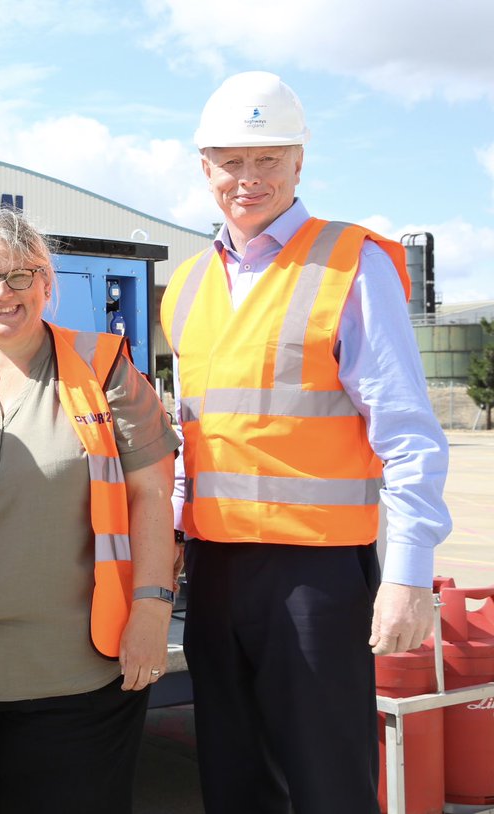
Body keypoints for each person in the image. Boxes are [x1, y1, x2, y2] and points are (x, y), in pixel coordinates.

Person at [161, 71, 453, 814]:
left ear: (299, 162)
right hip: (215, 571)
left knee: (327, 786)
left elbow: (409, 434)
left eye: (267, 159)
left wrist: (409, 575)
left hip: (316, 580)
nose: (247, 178)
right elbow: (196, 437)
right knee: (234, 782)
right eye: (231, 160)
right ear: (205, 169)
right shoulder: (185, 288)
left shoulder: (350, 265)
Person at [0, 205, 179, 814]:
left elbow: (152, 495)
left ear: (48, 284)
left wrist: (153, 612)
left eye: (21, 276)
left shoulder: (106, 372)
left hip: (78, 676)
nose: (4, 293)